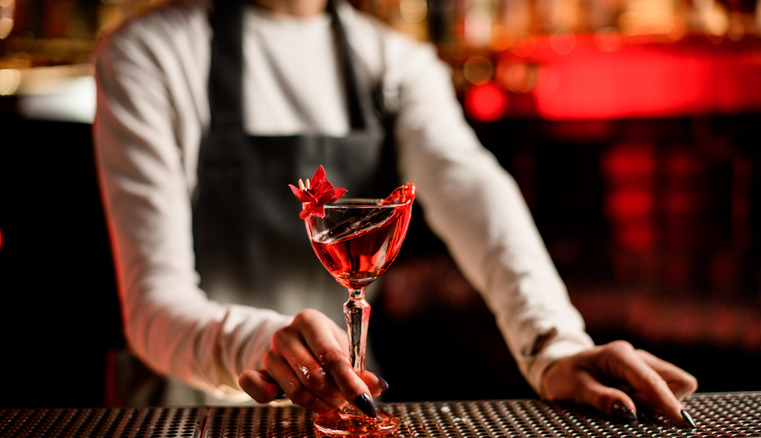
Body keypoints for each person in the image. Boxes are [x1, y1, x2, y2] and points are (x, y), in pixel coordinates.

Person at [92, 0, 698, 426]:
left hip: (347, 404)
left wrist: (554, 346)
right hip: (181, 415)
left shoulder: (393, 61)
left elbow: (472, 188)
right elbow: (154, 305)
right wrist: (262, 345)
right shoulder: (149, 54)